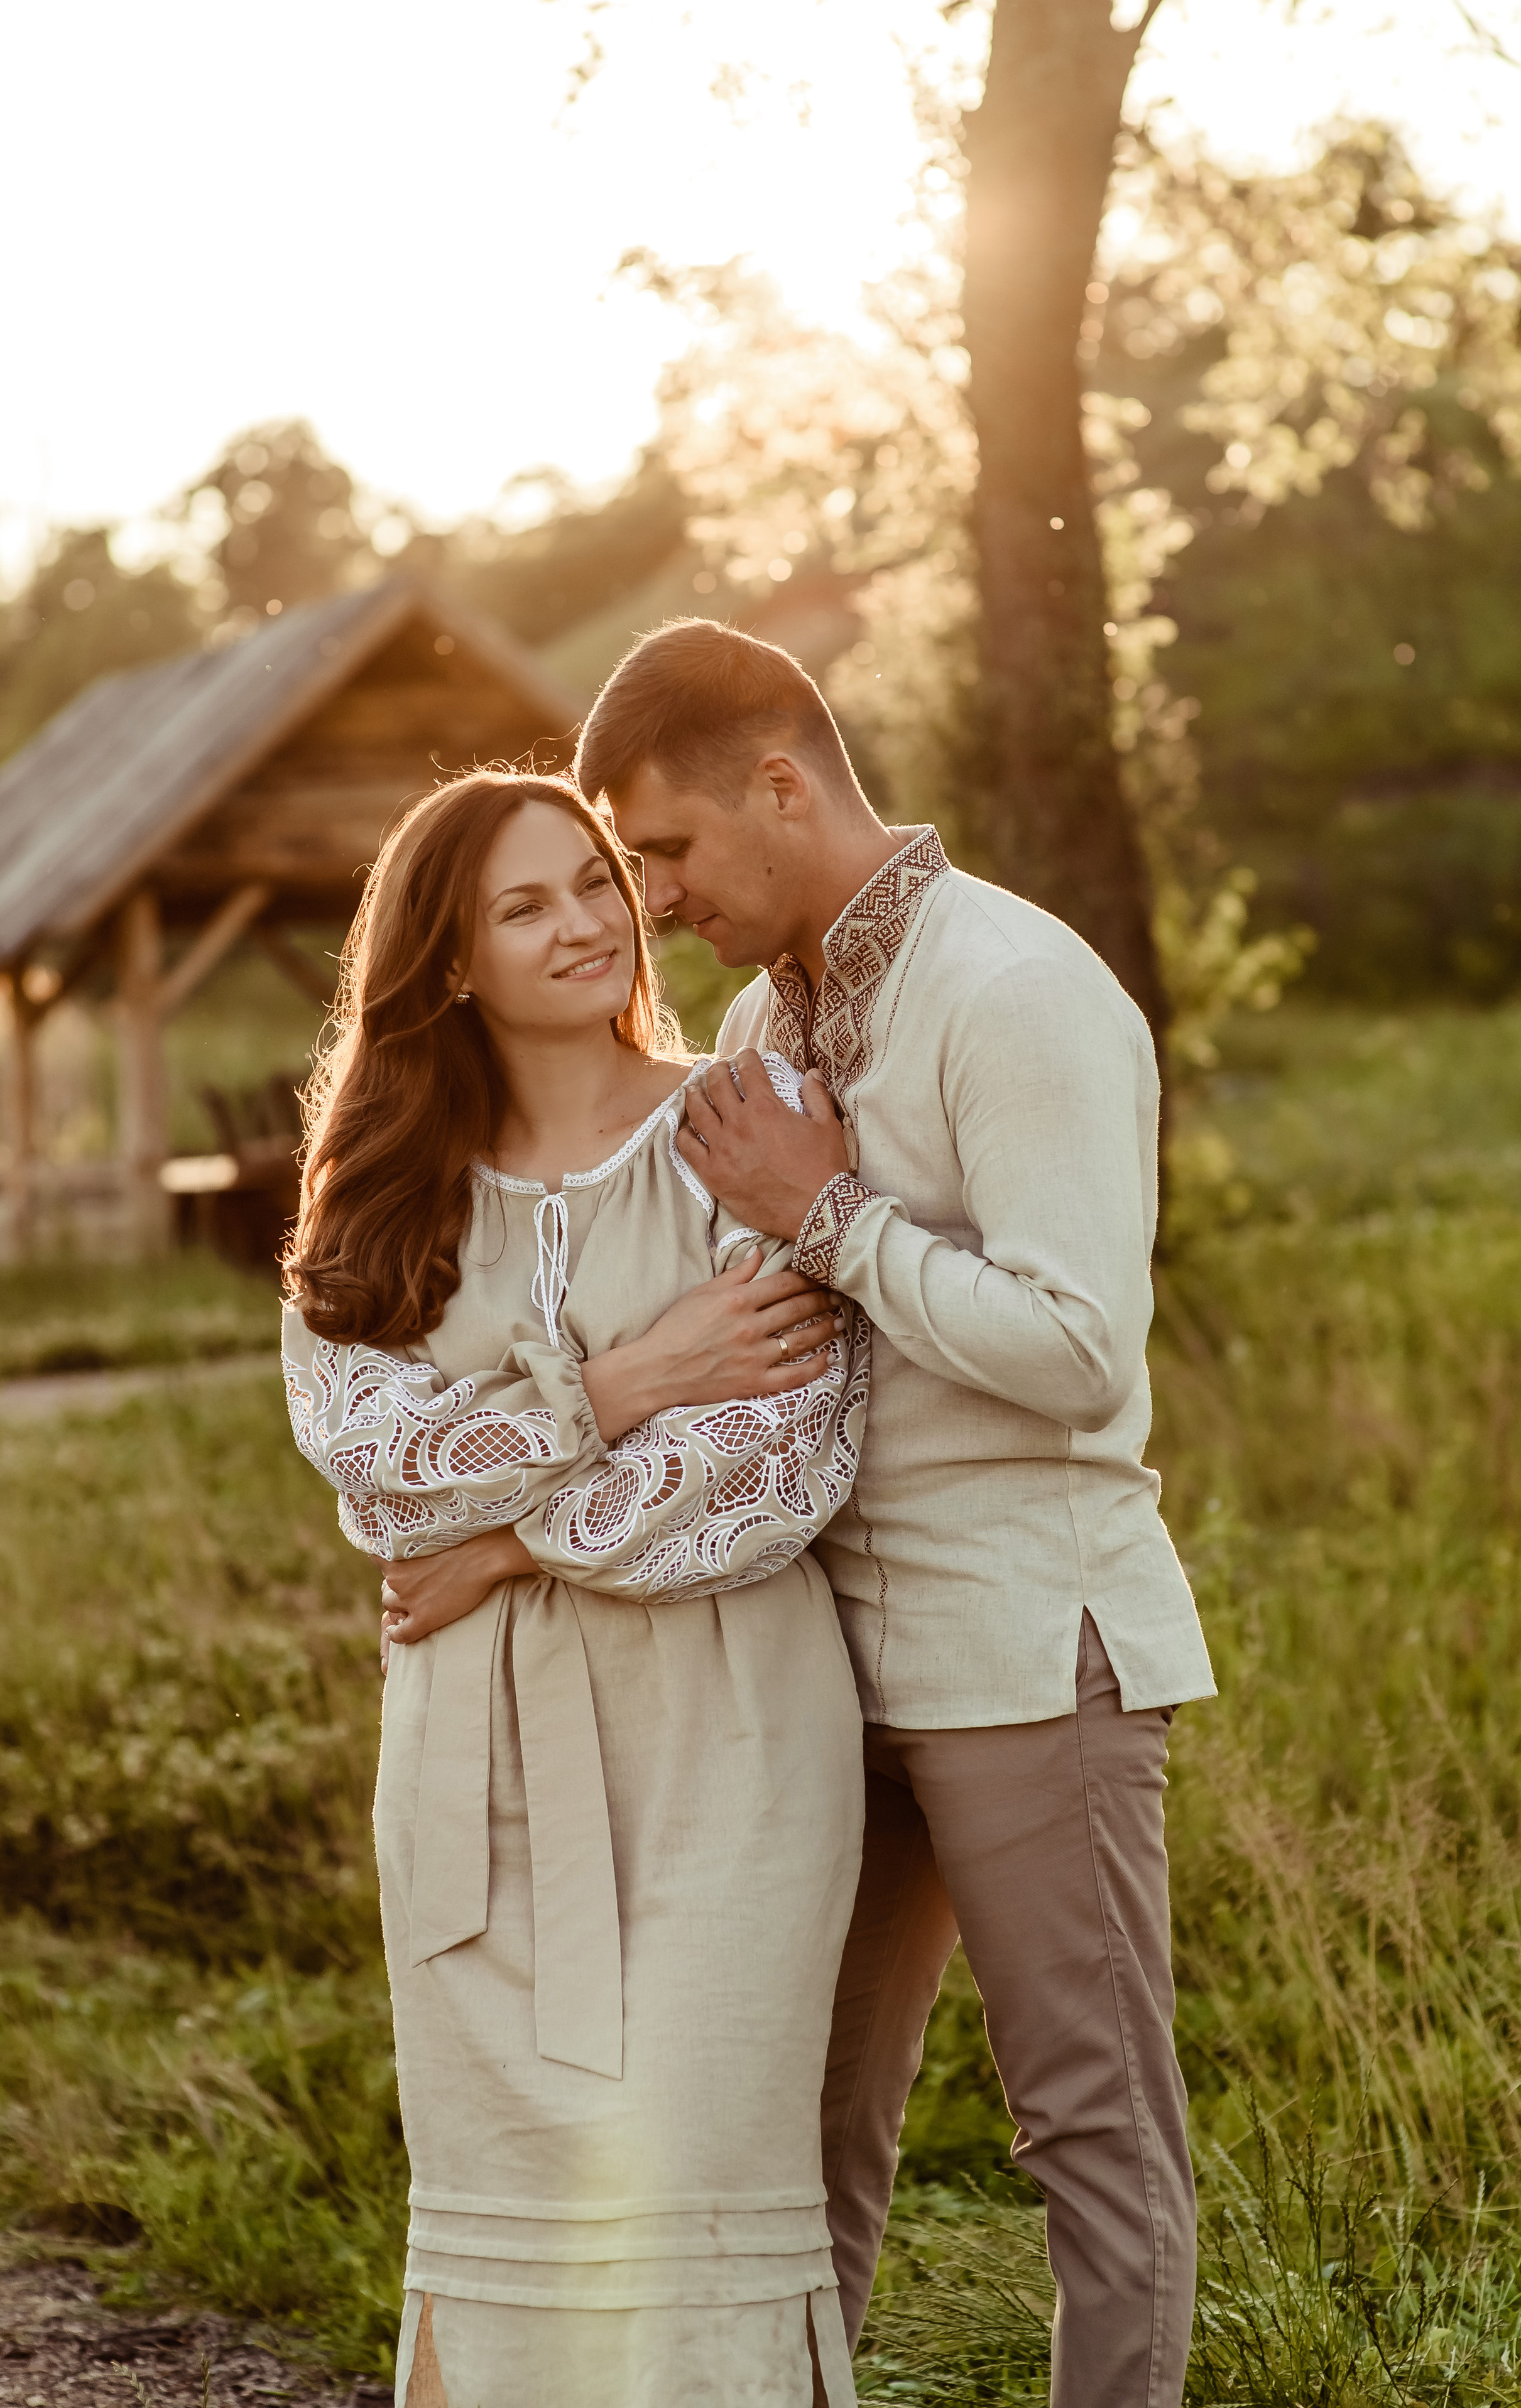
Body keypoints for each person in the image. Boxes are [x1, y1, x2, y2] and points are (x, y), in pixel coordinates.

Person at [575, 620, 1218, 2408]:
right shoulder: (766, 1014)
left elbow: (1083, 1351)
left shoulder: (1019, 989)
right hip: (818, 1667)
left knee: (1090, 2127)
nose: (661, 898)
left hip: (1026, 1648)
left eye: (674, 851)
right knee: (793, 2133)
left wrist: (832, 1210)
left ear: (783, 781)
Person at [280, 770, 870, 2408]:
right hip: (474, 1760)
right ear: (450, 959)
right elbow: (379, 1468)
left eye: (598, 882)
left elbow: (778, 1458)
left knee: (692, 2177)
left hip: (729, 1730)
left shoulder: (743, 1118)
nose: (587, 923)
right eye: (525, 903)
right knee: (516, 2200)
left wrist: (511, 1536)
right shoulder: (383, 1190)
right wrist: (622, 1386)